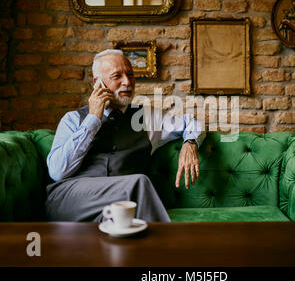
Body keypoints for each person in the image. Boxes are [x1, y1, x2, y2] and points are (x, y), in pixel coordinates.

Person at [45, 49, 205, 223]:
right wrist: (92, 120)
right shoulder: (74, 119)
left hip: (120, 204)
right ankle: (165, 245)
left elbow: (192, 122)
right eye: (117, 76)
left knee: (120, 221)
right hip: (71, 200)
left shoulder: (147, 118)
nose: (127, 82)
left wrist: (190, 143)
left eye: (130, 75)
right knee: (139, 183)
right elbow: (57, 172)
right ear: (98, 83)